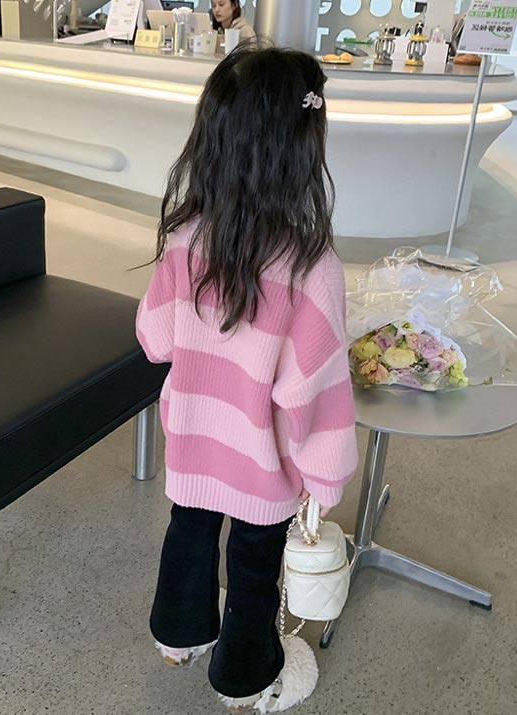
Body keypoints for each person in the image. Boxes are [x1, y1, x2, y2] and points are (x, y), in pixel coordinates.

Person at [136, 46, 358, 713]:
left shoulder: (184, 240)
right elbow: (317, 398)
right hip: (266, 465)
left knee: (189, 532)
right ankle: (243, 679)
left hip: (194, 442)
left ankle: (179, 637)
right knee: (256, 564)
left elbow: (154, 338)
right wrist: (326, 480)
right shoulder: (313, 269)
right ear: (300, 150)